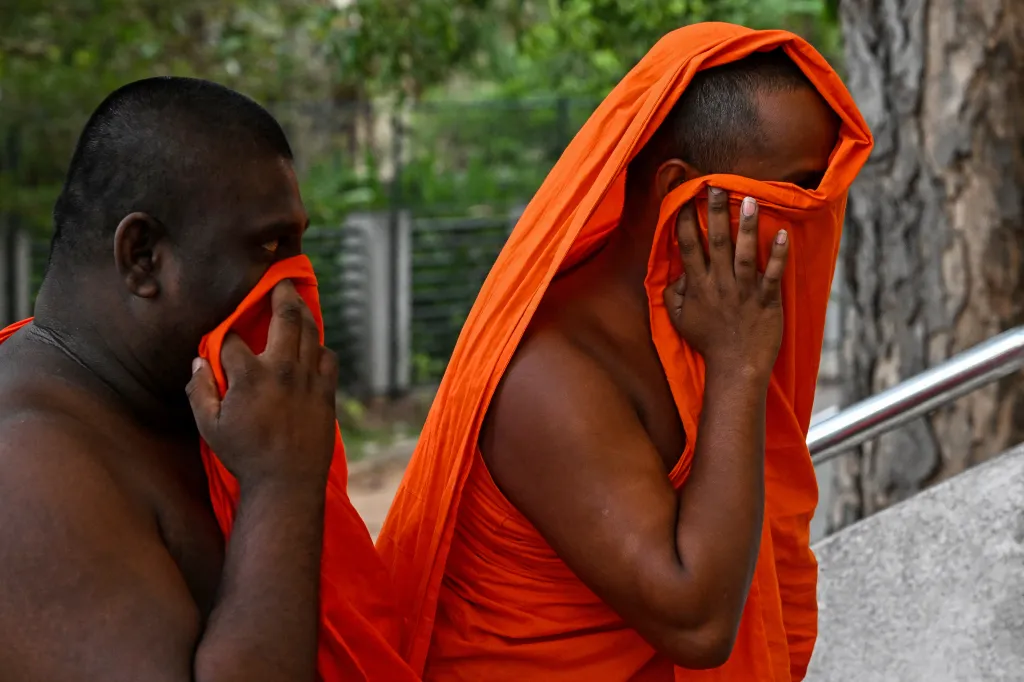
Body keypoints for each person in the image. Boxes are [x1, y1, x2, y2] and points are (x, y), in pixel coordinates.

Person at [377, 23, 873, 682]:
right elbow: (697, 622)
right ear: (680, 192)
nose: (812, 218)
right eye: (795, 190)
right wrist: (738, 368)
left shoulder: (699, 325)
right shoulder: (552, 375)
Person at [0, 77, 415, 682]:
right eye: (267, 246)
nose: (295, 283)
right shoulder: (27, 468)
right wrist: (280, 483)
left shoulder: (181, 405)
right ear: (143, 257)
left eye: (298, 247)